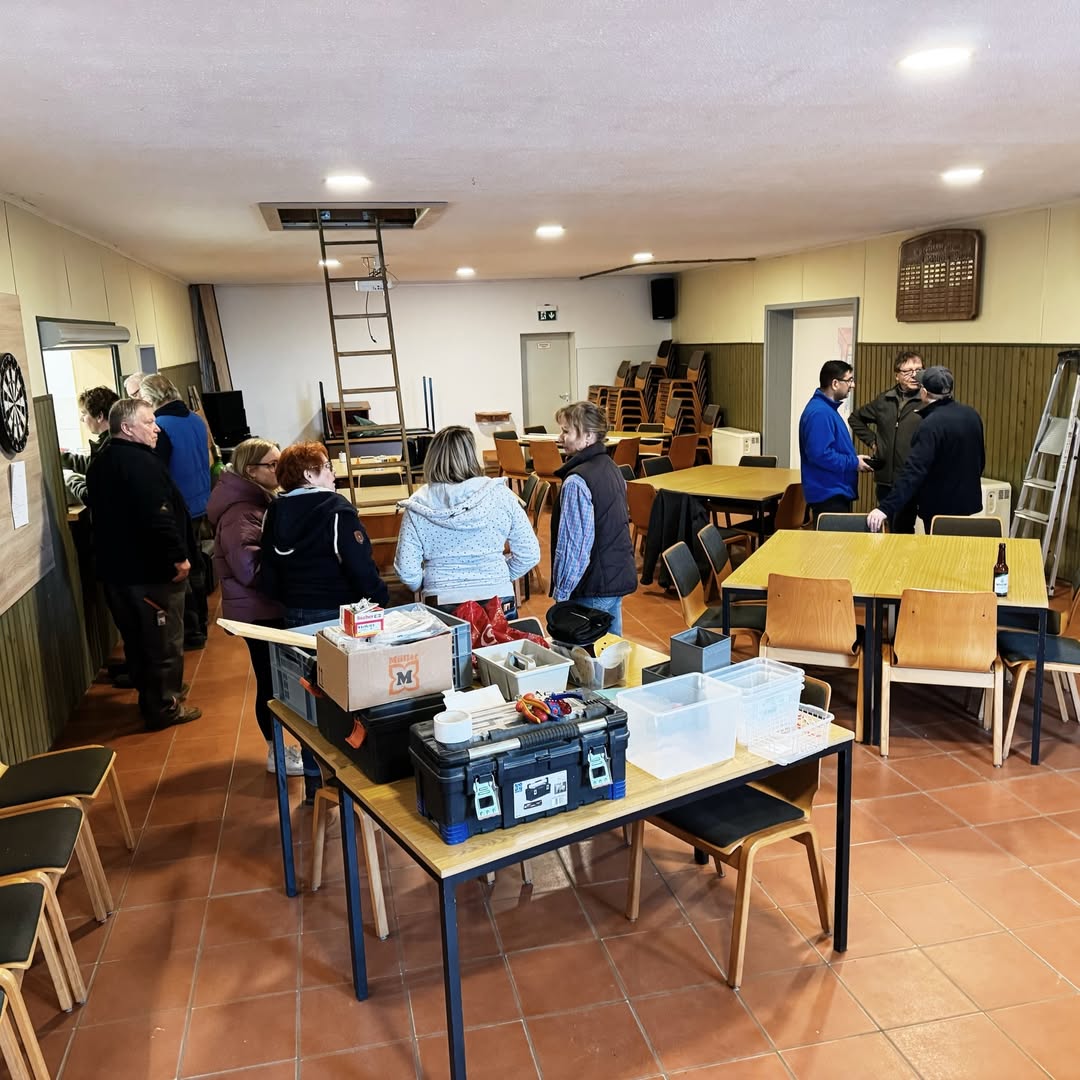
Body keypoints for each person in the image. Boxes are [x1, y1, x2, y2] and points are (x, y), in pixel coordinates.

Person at [84, 398, 201, 730]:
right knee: (163, 641)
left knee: (137, 639)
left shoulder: (101, 460)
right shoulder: (141, 464)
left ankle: (155, 694)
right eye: (149, 422)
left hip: (118, 572)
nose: (157, 428)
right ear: (126, 428)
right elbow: (158, 518)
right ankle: (164, 706)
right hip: (151, 573)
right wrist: (179, 558)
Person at [207, 438, 304, 777]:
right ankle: (276, 752)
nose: (280, 469)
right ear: (251, 471)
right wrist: (293, 568)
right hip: (259, 611)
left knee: (274, 679)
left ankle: (279, 748)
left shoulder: (256, 501)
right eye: (272, 464)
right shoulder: (241, 511)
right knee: (270, 682)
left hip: (264, 607)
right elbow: (250, 570)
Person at [394, 425, 540, 616]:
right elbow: (529, 554)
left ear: (432, 458)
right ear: (471, 456)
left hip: (441, 599)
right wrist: (500, 575)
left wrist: (428, 582)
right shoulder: (501, 495)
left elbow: (406, 570)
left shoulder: (417, 505)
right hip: (498, 596)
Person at [260, 441, 389, 625]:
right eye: (327, 467)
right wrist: (379, 596)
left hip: (291, 609)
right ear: (309, 475)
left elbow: (268, 564)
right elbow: (358, 563)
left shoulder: (274, 510)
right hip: (335, 608)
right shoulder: (337, 510)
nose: (333, 473)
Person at [550, 401, 637, 634]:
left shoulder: (577, 481)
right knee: (612, 650)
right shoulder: (612, 467)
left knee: (582, 654)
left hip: (591, 585)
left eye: (566, 431)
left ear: (588, 436)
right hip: (614, 576)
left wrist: (562, 594)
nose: (560, 438)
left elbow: (575, 547)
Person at [139, 374, 212, 649]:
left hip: (178, 507)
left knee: (183, 570)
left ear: (149, 399)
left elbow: (157, 470)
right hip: (201, 501)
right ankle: (201, 621)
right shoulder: (195, 419)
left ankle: (192, 630)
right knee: (197, 563)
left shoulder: (161, 426)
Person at [868, 366, 985, 533]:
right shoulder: (971, 415)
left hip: (939, 507)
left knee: (939, 549)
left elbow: (914, 471)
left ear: (923, 392)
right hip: (967, 503)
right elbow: (979, 461)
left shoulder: (930, 424)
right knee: (959, 547)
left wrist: (885, 508)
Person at [849, 350, 924, 533]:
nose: (914, 375)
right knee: (889, 524)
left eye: (919, 370)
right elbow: (855, 418)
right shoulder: (884, 400)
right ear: (897, 375)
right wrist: (873, 442)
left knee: (903, 527)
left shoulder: (926, 401)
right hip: (885, 478)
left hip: (911, 476)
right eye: (908, 371)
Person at [799, 360, 874, 519]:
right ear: (835, 383)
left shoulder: (827, 410)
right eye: (849, 380)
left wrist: (855, 460)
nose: (852, 385)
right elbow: (820, 455)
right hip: (828, 494)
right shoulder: (820, 413)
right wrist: (854, 462)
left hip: (833, 491)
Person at [62, 385, 119, 503]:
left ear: (100, 416)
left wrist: (71, 479)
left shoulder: (109, 450)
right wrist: (63, 458)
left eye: (84, 413)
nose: (82, 419)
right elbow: (93, 465)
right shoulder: (116, 440)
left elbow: (92, 497)